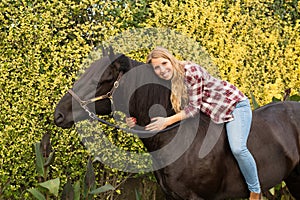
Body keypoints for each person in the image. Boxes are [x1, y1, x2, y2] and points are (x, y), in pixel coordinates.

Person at [126, 47, 262, 200]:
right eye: (157, 68)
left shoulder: (191, 72)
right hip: (211, 111)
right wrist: (135, 120)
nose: (162, 70)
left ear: (171, 59)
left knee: (238, 148)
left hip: (232, 106)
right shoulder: (167, 79)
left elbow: (193, 109)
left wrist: (166, 122)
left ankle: (255, 190)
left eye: (164, 63)